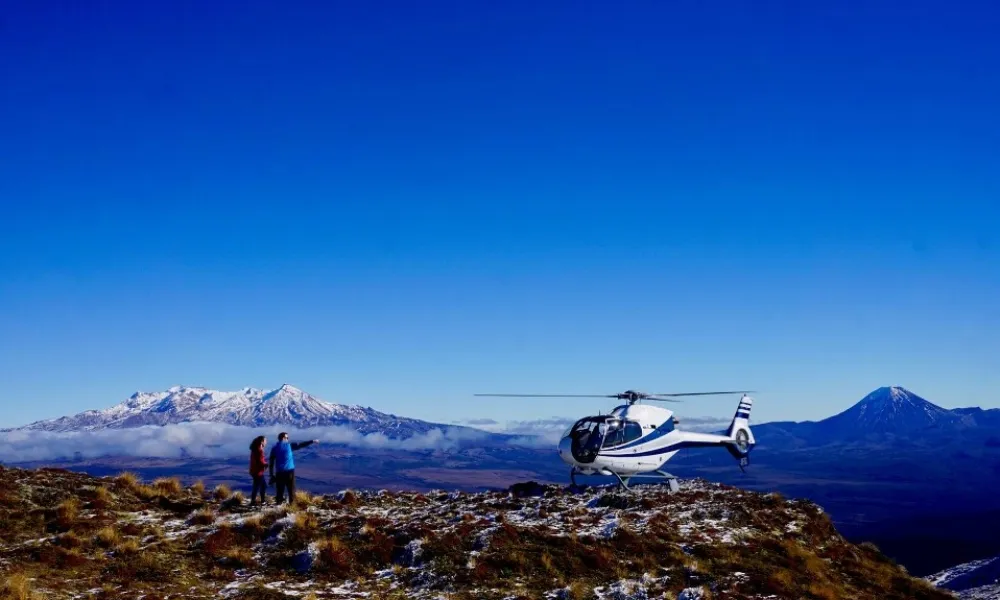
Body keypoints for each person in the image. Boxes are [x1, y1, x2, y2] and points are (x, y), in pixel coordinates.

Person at [268, 432, 319, 504]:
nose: (288, 439)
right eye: (287, 438)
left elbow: (271, 463)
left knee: (280, 491)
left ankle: (278, 507)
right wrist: (312, 441)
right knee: (291, 490)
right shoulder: (289, 446)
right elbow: (301, 445)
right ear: (283, 438)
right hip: (289, 472)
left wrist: (271, 475)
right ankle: (292, 506)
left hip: (279, 473)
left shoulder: (274, 449)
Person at [248, 435, 269, 507]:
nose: (266, 442)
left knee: (258, 486)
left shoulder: (255, 449)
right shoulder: (259, 450)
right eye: (265, 441)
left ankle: (255, 501)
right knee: (262, 486)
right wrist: (266, 465)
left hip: (254, 471)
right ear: (262, 441)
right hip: (258, 472)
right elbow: (260, 461)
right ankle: (257, 501)